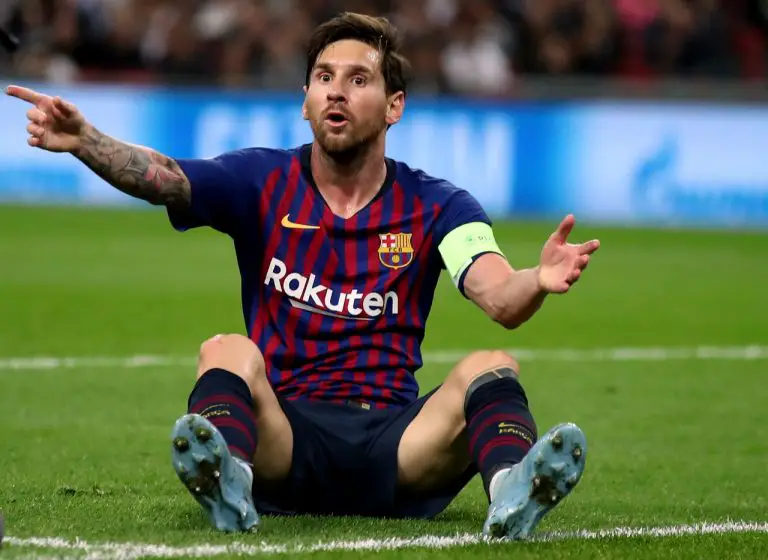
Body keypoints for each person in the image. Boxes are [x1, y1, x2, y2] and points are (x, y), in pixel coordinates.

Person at [5, 12, 599, 539]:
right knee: (225, 350)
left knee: (492, 365)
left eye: (358, 79)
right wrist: (86, 141)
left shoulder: (440, 204)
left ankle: (512, 490)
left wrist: (536, 280)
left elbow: (499, 296)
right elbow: (166, 178)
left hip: (397, 444)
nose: (337, 91)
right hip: (284, 438)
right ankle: (230, 480)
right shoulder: (260, 180)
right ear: (306, 100)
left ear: (394, 105)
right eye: (324, 77)